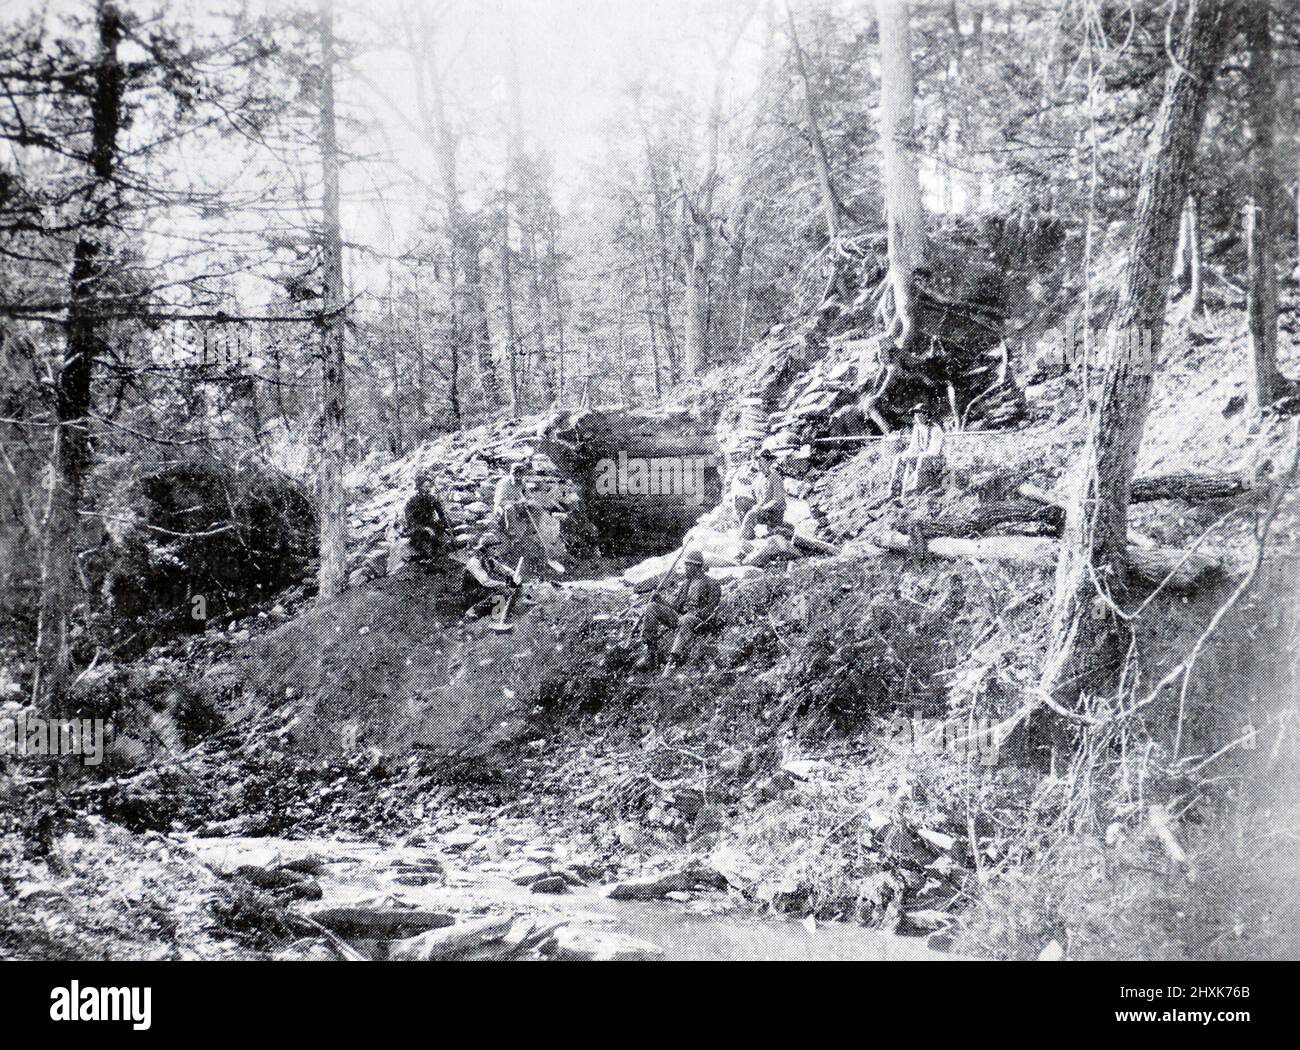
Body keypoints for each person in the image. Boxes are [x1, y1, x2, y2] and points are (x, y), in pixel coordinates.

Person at [636, 548, 722, 672]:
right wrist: (660, 600)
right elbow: (675, 607)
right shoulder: (685, 584)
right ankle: (651, 652)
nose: (685, 568)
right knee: (652, 607)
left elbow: (711, 608)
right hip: (681, 618)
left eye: (687, 565)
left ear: (695, 566)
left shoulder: (712, 584)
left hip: (697, 620)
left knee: (686, 619)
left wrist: (697, 614)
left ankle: (672, 661)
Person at [889, 404, 946, 497]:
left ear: (926, 415)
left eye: (920, 414)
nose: (917, 416)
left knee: (922, 458)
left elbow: (934, 451)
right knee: (900, 457)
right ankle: (895, 490)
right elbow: (914, 448)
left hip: (938, 461)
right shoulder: (917, 428)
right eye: (915, 414)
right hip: (924, 458)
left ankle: (915, 492)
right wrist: (906, 455)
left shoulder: (935, 429)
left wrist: (917, 455)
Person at [461, 534, 517, 618]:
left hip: (481, 591)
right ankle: (473, 611)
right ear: (484, 549)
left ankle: (497, 614)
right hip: (470, 594)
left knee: (506, 591)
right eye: (493, 548)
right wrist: (504, 585)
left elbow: (504, 570)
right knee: (502, 591)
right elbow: (485, 581)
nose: (496, 551)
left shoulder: (489, 560)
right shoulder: (474, 562)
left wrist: (514, 575)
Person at [738, 447, 787, 540]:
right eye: (757, 461)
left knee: (751, 515)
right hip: (763, 510)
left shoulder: (775, 477)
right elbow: (754, 494)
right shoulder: (760, 477)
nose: (759, 464)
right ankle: (749, 535)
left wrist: (762, 508)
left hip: (774, 513)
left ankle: (744, 540)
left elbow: (778, 500)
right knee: (741, 501)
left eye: (761, 461)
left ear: (769, 462)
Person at [405, 469, 453, 562]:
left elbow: (441, 514)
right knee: (422, 537)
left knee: (439, 533)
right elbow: (410, 519)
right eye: (425, 486)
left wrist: (446, 524)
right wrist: (424, 528)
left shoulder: (432, 498)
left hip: (430, 524)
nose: (427, 489)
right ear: (419, 487)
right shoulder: (412, 501)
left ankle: (436, 555)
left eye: (428, 486)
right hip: (417, 526)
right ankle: (424, 556)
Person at [493, 462, 529, 537]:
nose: (518, 476)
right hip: (501, 509)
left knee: (534, 506)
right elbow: (500, 502)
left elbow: (527, 495)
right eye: (516, 473)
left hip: (517, 506)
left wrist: (526, 501)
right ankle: (510, 531)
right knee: (509, 508)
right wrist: (516, 502)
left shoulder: (522, 482)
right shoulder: (504, 484)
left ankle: (530, 530)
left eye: (521, 474)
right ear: (511, 473)